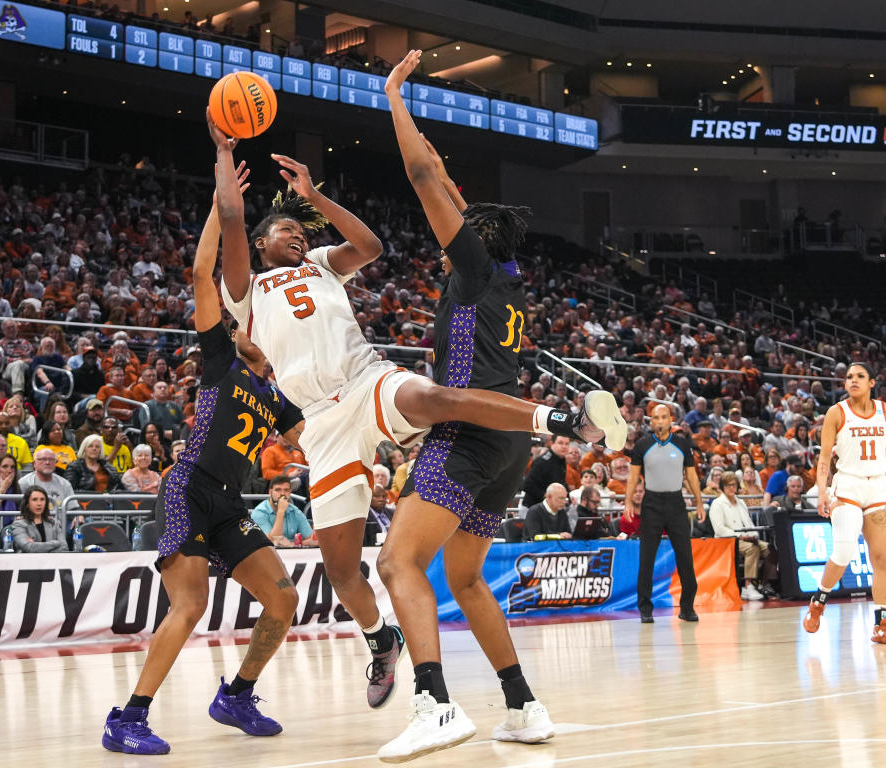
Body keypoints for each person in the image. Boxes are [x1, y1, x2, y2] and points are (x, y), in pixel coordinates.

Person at [209, 99, 624, 726]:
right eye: (285, 232)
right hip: (319, 423)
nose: (296, 236)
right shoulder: (243, 291)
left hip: (365, 379)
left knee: (437, 397)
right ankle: (382, 640)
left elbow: (370, 245)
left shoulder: (322, 265)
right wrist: (223, 155)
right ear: (264, 244)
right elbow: (234, 222)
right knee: (344, 570)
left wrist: (315, 198)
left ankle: (563, 424)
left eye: (300, 231)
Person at [374, 55, 619, 760]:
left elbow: (426, 181)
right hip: (509, 447)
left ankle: (435, 703)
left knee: (397, 562)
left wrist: (395, 98)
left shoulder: (475, 271)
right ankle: (523, 705)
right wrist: (440, 161)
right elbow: (446, 185)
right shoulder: (506, 282)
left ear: (473, 238)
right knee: (466, 575)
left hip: (473, 431)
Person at [103, 165, 306, 756]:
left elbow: (314, 439)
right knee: (191, 604)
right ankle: (128, 717)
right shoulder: (221, 356)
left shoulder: (279, 393)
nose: (244, 323)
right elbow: (200, 272)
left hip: (227, 502)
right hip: (188, 487)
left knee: (284, 599)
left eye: (252, 322)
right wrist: (224, 203)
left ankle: (237, 694)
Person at [802, 363, 886, 643]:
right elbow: (823, 459)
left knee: (881, 558)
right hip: (847, 486)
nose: (853, 380)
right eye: (849, 377)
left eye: (860, 376)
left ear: (872, 383)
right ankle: (819, 600)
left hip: (878, 486)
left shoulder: (885, 411)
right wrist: (822, 492)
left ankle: (882, 624)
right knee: (844, 553)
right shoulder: (837, 412)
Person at [624, 404, 705, 624]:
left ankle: (687, 608)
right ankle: (645, 609)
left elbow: (692, 477)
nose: (660, 421)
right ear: (652, 421)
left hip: (676, 503)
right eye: (656, 418)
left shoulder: (682, 444)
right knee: (647, 558)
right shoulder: (642, 445)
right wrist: (628, 502)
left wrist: (699, 503)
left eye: (664, 417)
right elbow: (633, 478)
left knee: (685, 557)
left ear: (671, 420)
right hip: (651, 503)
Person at [708, 474, 770, 601]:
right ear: (723, 487)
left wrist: (753, 535)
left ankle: (763, 584)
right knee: (752, 549)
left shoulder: (741, 502)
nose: (732, 488)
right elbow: (719, 529)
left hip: (746, 537)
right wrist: (740, 536)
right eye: (728, 485)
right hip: (727, 539)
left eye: (734, 484)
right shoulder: (717, 503)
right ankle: (748, 586)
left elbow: (749, 524)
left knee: (770, 549)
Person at [250, 474, 315, 547]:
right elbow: (271, 542)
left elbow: (311, 539)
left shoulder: (295, 511)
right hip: (269, 554)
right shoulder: (259, 512)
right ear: (270, 492)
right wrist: (281, 511)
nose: (282, 494)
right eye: (278, 490)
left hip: (292, 554)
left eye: (286, 490)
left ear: (290, 492)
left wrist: (292, 544)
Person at [10, 486, 68, 552]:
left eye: (42, 499)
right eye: (34, 499)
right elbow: (29, 547)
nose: (39, 504)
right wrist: (56, 543)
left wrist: (35, 545)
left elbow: (64, 547)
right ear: (27, 504)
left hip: (52, 561)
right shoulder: (19, 525)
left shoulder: (53, 523)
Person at [21, 448, 75, 518]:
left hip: (61, 525)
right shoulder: (24, 483)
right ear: (34, 463)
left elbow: (73, 507)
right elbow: (20, 510)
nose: (47, 462)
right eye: (43, 459)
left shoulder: (64, 483)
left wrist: (78, 516)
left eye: (51, 459)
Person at [520, 435, 570, 509]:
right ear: (552, 443)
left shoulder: (561, 460)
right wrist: (547, 496)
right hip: (532, 508)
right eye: (560, 443)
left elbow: (560, 482)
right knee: (497, 516)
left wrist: (568, 496)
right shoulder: (543, 462)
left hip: (549, 508)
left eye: (567, 444)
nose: (564, 446)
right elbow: (527, 485)